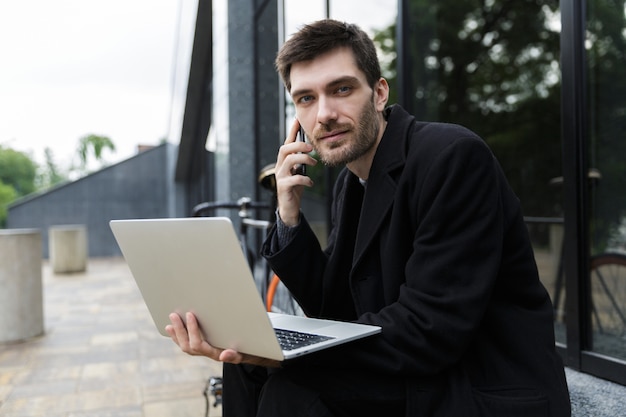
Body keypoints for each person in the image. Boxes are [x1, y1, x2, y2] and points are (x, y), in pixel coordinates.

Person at [166, 19, 571, 416]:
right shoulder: (352, 183)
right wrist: (287, 217)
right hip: (419, 371)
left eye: (341, 89)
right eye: (306, 98)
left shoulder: (452, 157)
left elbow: (430, 328)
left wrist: (291, 356)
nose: (323, 114)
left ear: (379, 93)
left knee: (293, 389)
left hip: (482, 382)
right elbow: (337, 310)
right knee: (246, 364)